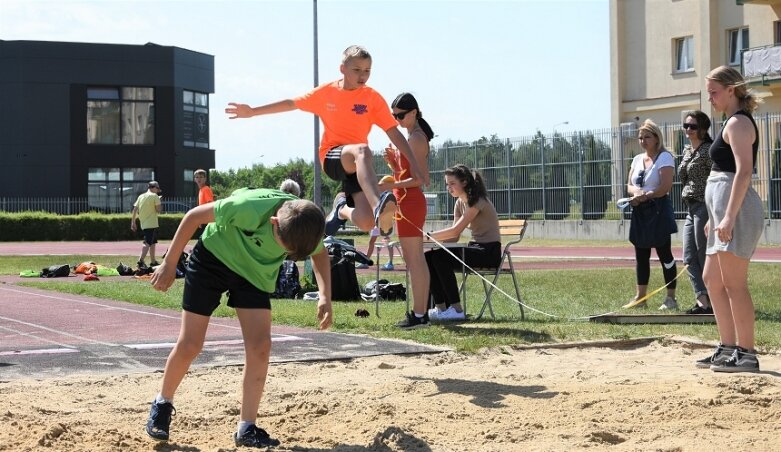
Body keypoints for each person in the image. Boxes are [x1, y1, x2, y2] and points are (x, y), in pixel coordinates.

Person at [144, 187, 333, 448]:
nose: (286, 255)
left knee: (261, 347)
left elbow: (320, 254)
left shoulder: (304, 222)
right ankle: (162, 404)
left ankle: (247, 427)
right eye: (284, 249)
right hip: (214, 258)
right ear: (274, 222)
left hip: (254, 274)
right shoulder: (248, 207)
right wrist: (169, 262)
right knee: (191, 343)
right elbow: (193, 217)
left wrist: (325, 295)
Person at [225, 45, 428, 238]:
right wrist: (252, 111)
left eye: (367, 70)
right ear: (342, 69)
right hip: (332, 156)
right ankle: (378, 206)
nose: (362, 75)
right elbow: (291, 103)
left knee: (366, 222)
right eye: (357, 69)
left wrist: (414, 164)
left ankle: (342, 209)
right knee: (363, 150)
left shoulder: (372, 98)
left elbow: (394, 133)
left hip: (357, 166)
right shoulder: (326, 93)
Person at [696, 66, 764, 373]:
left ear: (731, 90)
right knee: (712, 280)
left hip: (735, 212)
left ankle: (746, 353)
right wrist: (716, 216)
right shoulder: (731, 122)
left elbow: (744, 171)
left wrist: (727, 217)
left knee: (734, 284)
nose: (710, 98)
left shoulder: (738, 123)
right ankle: (726, 347)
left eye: (713, 92)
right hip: (723, 212)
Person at [382, 92, 434, 328]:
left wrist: (392, 184)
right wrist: (394, 165)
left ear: (414, 112)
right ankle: (420, 313)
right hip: (405, 201)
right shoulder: (410, 138)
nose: (397, 120)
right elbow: (408, 175)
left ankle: (420, 314)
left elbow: (422, 179)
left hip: (411, 202)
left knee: (415, 262)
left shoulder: (416, 139)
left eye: (400, 115)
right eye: (394, 116)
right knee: (414, 261)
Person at [425, 165, 500, 321]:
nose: (449, 188)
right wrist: (432, 245)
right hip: (474, 248)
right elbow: (454, 237)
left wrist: (426, 237)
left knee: (440, 258)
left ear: (464, 182)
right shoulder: (459, 203)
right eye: (447, 184)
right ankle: (441, 308)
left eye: (452, 183)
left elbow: (454, 230)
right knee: (430, 257)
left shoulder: (478, 201)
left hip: (489, 252)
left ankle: (457, 310)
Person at [625, 119, 679, 310]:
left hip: (657, 209)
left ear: (657, 138)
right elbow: (629, 185)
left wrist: (647, 195)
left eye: (647, 137)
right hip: (640, 210)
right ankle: (641, 298)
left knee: (665, 254)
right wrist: (636, 194)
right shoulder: (637, 159)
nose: (643, 141)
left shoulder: (665, 157)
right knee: (641, 254)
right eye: (640, 137)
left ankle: (670, 298)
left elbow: (664, 187)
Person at [678, 111, 714, 315]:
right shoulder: (687, 150)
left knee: (703, 254)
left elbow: (717, 177)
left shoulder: (709, 150)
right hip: (691, 207)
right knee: (689, 256)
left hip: (704, 205)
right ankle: (703, 301)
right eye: (686, 126)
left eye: (692, 126)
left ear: (702, 128)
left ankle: (713, 300)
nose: (688, 130)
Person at [131, 181, 162, 268]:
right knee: (147, 242)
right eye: (157, 189)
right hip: (151, 223)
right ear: (153, 187)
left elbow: (135, 210)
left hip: (144, 223)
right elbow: (158, 210)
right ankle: (140, 261)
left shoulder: (141, 196)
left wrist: (133, 222)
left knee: (153, 242)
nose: (157, 191)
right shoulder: (155, 196)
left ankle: (153, 261)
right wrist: (159, 201)